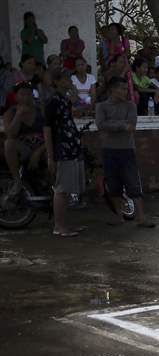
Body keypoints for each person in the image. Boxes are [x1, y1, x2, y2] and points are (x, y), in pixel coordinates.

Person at [95, 76, 153, 227]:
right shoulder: (101, 106)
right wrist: (121, 126)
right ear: (112, 89)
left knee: (133, 184)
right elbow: (101, 125)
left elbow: (131, 126)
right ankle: (119, 216)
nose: (125, 91)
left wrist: (112, 125)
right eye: (122, 88)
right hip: (109, 149)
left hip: (126, 149)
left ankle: (141, 217)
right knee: (114, 185)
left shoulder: (130, 106)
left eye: (126, 88)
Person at [43, 69, 85, 236]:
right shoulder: (53, 101)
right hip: (62, 149)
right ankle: (59, 226)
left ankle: (64, 224)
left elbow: (76, 106)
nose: (70, 81)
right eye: (66, 78)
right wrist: (50, 156)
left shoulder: (63, 99)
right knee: (61, 189)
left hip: (70, 147)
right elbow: (47, 128)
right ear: (58, 81)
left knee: (66, 189)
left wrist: (73, 93)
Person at [3, 82, 45, 197]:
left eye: (29, 94)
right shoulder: (10, 112)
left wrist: (37, 152)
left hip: (43, 147)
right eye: (22, 94)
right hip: (23, 147)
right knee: (8, 144)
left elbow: (52, 133)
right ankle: (17, 181)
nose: (26, 97)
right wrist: (18, 115)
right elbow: (10, 135)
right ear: (16, 96)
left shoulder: (41, 110)